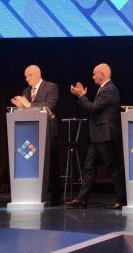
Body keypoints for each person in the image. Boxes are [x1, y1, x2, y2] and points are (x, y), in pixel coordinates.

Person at [66, 63, 126, 209]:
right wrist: (82, 96)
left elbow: (93, 109)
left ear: (102, 74)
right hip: (97, 135)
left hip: (105, 135)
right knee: (89, 167)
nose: (92, 77)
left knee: (112, 167)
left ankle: (122, 200)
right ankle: (82, 199)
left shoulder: (109, 89)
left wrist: (81, 96)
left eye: (94, 74)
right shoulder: (104, 89)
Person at [11, 65, 62, 205]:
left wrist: (27, 105)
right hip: (32, 133)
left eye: (29, 75)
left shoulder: (51, 87)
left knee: (52, 165)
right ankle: (35, 194)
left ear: (38, 74)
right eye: (25, 76)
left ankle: (56, 197)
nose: (27, 79)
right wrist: (20, 108)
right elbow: (28, 111)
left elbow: (49, 106)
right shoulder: (26, 91)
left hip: (49, 131)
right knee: (35, 165)